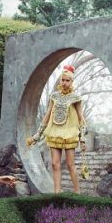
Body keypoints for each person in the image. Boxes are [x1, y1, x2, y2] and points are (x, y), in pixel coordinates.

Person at [26, 65, 87, 194]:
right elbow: (47, 115)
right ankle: (57, 193)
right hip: (54, 132)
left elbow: (81, 118)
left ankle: (78, 193)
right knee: (55, 164)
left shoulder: (76, 98)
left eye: (67, 80)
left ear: (71, 82)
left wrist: (83, 138)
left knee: (70, 165)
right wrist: (37, 135)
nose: (64, 83)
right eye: (63, 80)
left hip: (70, 133)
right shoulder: (54, 96)